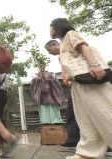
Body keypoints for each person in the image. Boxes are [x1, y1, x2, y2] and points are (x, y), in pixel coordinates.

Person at [50, 18, 112, 159]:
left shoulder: (70, 34)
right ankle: (87, 152)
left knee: (104, 112)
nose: (50, 31)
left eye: (51, 27)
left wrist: (94, 65)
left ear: (57, 26)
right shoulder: (63, 41)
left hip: (90, 80)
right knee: (86, 120)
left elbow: (83, 47)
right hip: (79, 83)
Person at [45, 40, 80, 148]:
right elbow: (64, 72)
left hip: (82, 83)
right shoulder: (61, 57)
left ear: (55, 45)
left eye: (49, 50)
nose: (49, 53)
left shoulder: (70, 49)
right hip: (74, 86)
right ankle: (73, 140)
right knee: (71, 113)